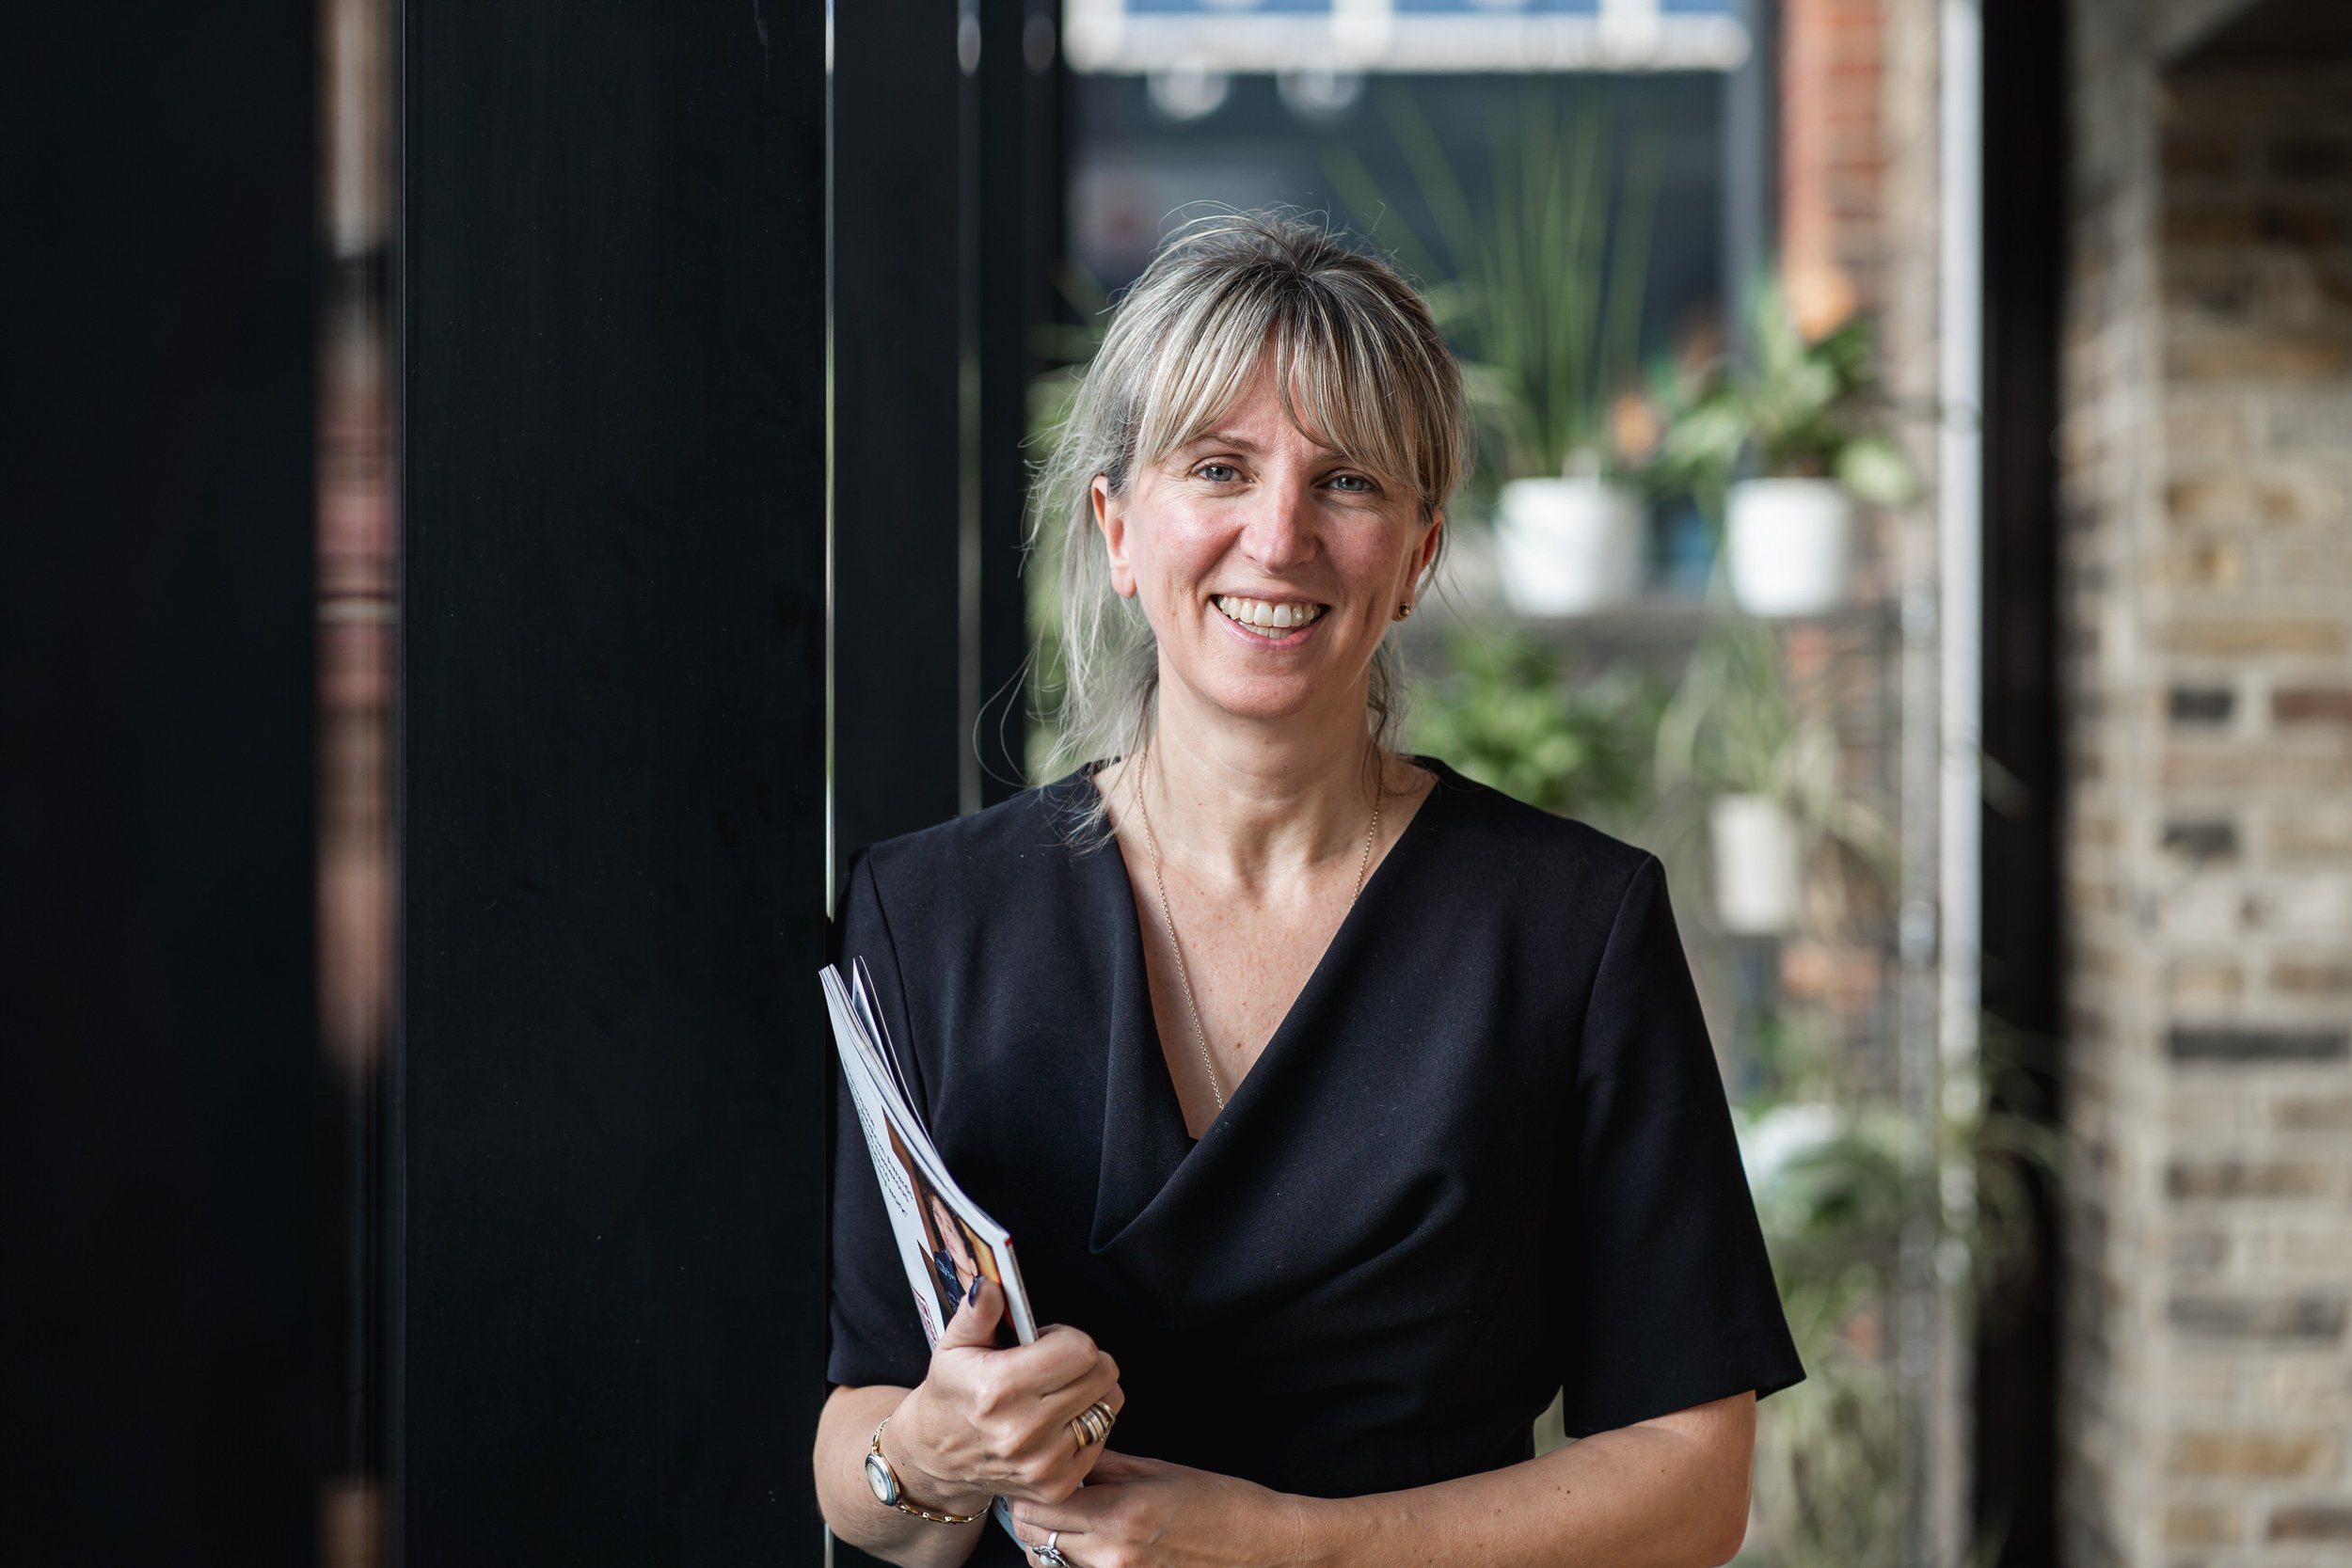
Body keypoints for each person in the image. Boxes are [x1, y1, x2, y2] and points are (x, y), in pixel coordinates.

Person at [814, 211, 1803, 1568]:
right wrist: (926, 1453)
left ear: (1419, 555)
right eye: (1219, 468)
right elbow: (872, 1478)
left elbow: (1696, 1484)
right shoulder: (926, 919)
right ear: (1119, 528)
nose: (1277, 538)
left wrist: (1297, 1547)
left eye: (1346, 484)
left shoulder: (1572, 930)